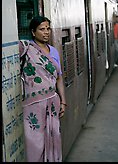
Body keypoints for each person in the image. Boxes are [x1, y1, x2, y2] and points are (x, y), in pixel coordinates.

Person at [19, 16, 66, 162]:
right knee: (35, 143)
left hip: (53, 103)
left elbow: (58, 78)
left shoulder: (53, 51)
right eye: (41, 29)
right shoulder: (26, 48)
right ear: (33, 32)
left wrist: (63, 101)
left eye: (48, 28)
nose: (46, 32)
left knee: (53, 138)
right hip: (33, 106)